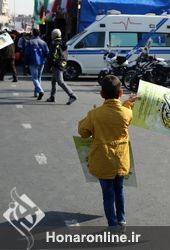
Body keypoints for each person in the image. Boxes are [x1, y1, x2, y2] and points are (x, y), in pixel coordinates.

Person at [78, 75, 138, 228]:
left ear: (102, 94)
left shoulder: (95, 114)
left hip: (103, 160)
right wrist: (128, 102)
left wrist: (91, 115)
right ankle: (122, 220)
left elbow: (83, 132)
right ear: (120, 93)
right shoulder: (126, 113)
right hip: (120, 160)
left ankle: (112, 224)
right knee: (119, 190)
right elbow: (126, 113)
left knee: (108, 194)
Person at [46, 28, 77, 105]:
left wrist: (50, 65)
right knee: (53, 80)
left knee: (60, 81)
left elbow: (52, 56)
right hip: (63, 63)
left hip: (57, 64)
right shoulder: (63, 42)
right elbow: (65, 54)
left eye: (52, 35)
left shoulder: (54, 44)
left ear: (54, 35)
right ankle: (52, 96)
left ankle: (72, 95)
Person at [24, 29, 49, 100]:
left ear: (32, 34)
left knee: (34, 78)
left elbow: (27, 53)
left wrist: (25, 63)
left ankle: (40, 91)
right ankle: (36, 93)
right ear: (39, 33)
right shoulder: (43, 42)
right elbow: (47, 52)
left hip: (32, 61)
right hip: (41, 62)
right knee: (39, 77)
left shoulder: (29, 42)